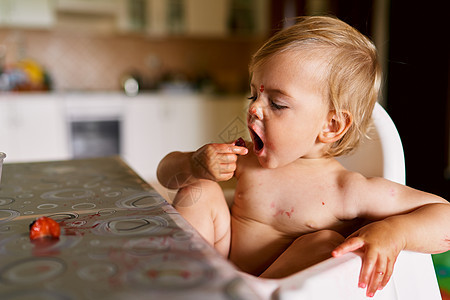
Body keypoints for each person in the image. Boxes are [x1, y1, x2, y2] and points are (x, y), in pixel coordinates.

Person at [157, 16, 450, 297]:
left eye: (277, 103)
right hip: (214, 273)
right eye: (253, 95)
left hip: (273, 291)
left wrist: (393, 231)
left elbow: (444, 215)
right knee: (200, 188)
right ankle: (177, 283)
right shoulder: (245, 157)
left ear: (331, 126)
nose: (254, 109)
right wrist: (192, 163)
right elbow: (165, 174)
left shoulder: (347, 190)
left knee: (325, 243)